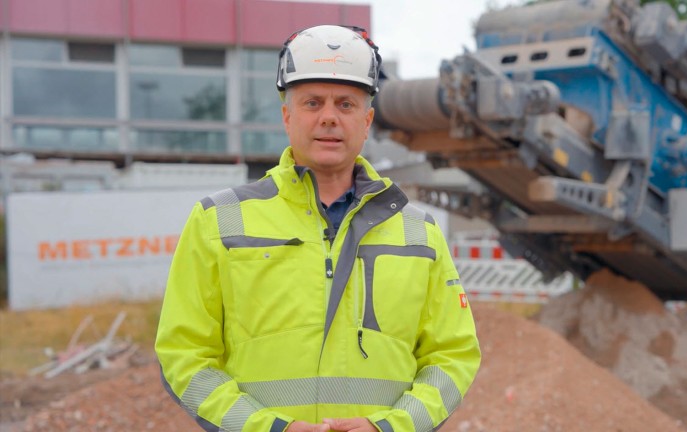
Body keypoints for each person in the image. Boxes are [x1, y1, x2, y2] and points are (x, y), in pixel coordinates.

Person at [155, 25, 481, 432]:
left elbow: (452, 356)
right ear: (287, 116)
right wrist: (270, 428)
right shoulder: (217, 220)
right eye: (313, 102)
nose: (329, 117)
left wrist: (390, 427)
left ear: (367, 121)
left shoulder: (419, 231)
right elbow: (184, 354)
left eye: (345, 104)